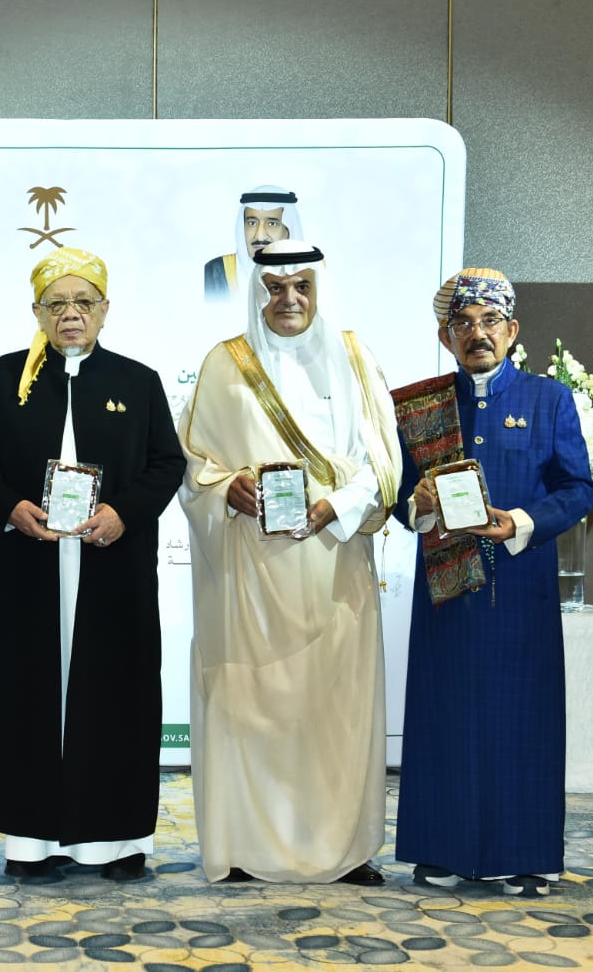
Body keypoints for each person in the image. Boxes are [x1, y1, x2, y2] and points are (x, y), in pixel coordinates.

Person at [0, 246, 185, 882]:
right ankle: (31, 838)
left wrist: (124, 513)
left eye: (84, 302)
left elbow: (167, 463)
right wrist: (10, 505)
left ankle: (115, 840)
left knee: (118, 692)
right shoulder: (3, 377)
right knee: (24, 691)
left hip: (113, 564)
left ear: (105, 309)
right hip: (27, 562)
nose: (71, 314)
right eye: (56, 303)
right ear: (37, 312)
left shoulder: (137, 381)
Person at [177, 240, 401, 885]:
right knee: (252, 707)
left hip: (334, 564)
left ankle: (342, 849)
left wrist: (336, 506)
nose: (289, 300)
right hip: (251, 571)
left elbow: (384, 461)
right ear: (257, 293)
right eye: (275, 288)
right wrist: (228, 488)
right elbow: (195, 463)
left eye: (302, 286)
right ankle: (248, 847)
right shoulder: (224, 364)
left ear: (319, 290)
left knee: (335, 711)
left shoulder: (355, 358)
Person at [392, 267, 593, 898]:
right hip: (446, 590)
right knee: (445, 717)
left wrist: (522, 522)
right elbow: (398, 496)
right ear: (445, 336)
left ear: (512, 330)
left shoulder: (547, 399)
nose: (476, 333)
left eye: (489, 321)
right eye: (462, 323)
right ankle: (441, 850)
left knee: (522, 721)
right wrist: (418, 502)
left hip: (519, 588)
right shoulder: (420, 406)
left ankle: (525, 856)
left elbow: (578, 489)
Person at [204, 186, 305, 302]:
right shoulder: (217, 272)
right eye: (252, 223)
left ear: (289, 231)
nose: (260, 236)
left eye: (272, 224)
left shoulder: (313, 272)